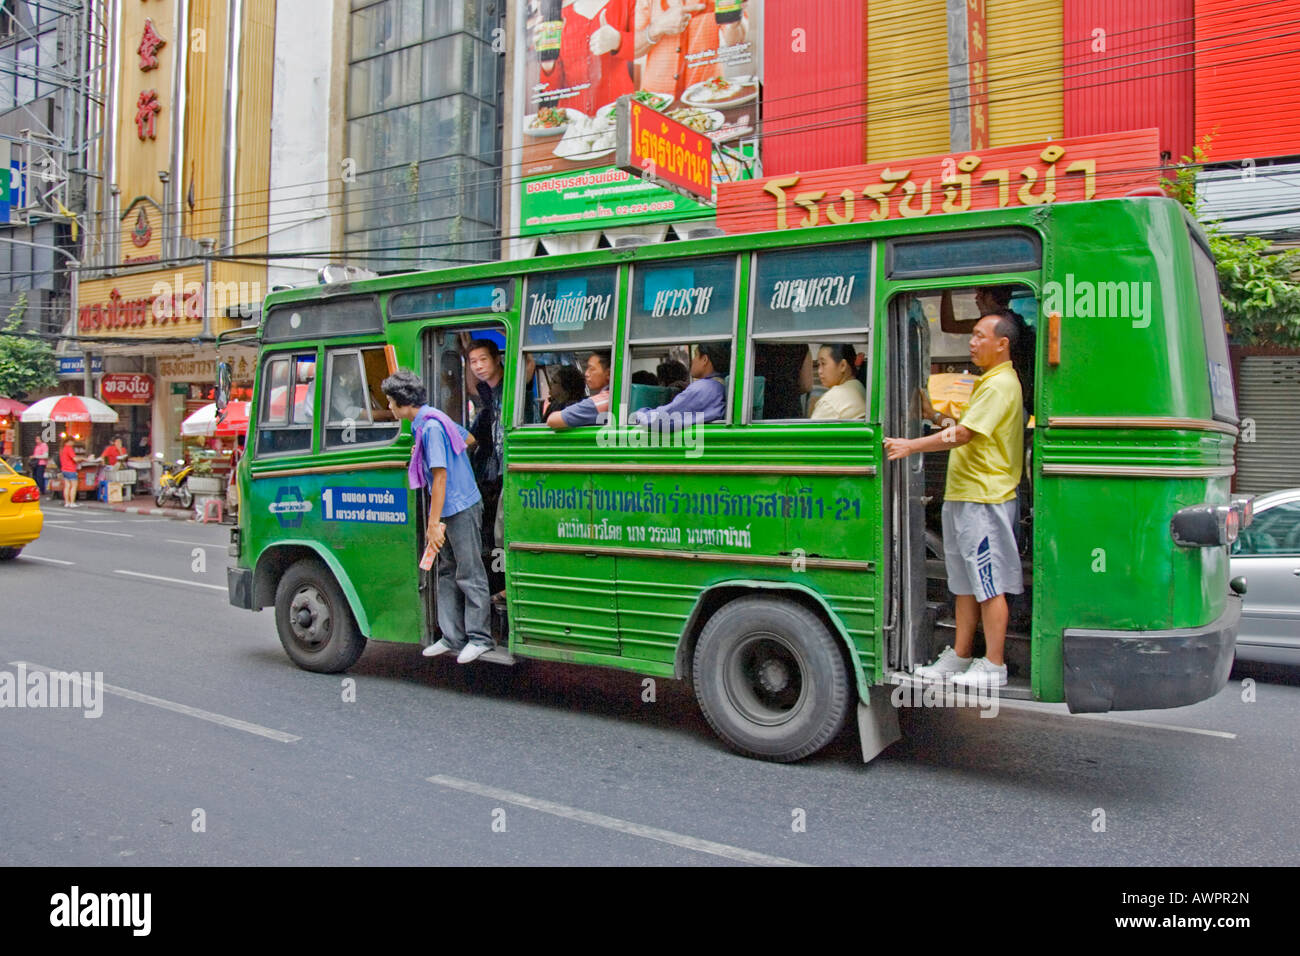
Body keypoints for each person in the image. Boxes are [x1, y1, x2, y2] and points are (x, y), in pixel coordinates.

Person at [883, 312, 1025, 688]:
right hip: (964, 495)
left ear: (1002, 343)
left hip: (984, 498)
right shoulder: (987, 382)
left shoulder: (1001, 384)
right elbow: (965, 430)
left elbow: (963, 435)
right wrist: (935, 417)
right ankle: (961, 657)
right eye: (973, 336)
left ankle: (993, 665)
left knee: (988, 584)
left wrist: (911, 445)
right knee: (963, 584)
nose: (972, 342)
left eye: (979, 336)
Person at [383, 369, 493, 664]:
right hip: (452, 505)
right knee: (447, 570)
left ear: (401, 401)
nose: (389, 408)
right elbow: (468, 438)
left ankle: (480, 638)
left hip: (458, 506)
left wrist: (433, 525)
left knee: (469, 572)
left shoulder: (430, 428)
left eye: (390, 402)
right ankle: (452, 636)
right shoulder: (435, 418)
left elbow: (440, 477)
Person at [536, 0, 636, 117]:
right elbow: (551, 92)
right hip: (571, 122)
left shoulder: (625, 3)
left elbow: (644, 47)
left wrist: (618, 41)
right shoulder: (555, 11)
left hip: (617, 114)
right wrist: (548, 63)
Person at [635, 1, 749, 103]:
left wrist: (733, 21)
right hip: (656, 102)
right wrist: (656, 28)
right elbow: (633, 50)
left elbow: (736, 43)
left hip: (709, 98)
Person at [466, 339, 506, 562]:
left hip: (507, 467)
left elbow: (527, 366)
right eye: (473, 362)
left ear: (497, 359)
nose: (478, 366)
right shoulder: (487, 393)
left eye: (483, 360)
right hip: (493, 472)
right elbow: (472, 386)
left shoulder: (512, 383)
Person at [632, 342, 728, 428]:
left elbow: (664, 417)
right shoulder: (717, 386)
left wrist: (639, 415)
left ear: (704, 359)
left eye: (695, 355)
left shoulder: (703, 388)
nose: (692, 360)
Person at [547, 352, 612, 430]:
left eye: (592, 369)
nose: (587, 373)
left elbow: (552, 420)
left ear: (608, 373)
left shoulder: (602, 401)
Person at [809, 344, 867, 421]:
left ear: (843, 365)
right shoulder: (859, 387)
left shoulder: (830, 402)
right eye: (818, 364)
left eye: (823, 363)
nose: (819, 371)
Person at [59, 437, 81, 508]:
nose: (73, 443)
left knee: (67, 486)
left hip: (64, 469)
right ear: (69, 441)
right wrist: (84, 458)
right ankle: (72, 502)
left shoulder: (62, 449)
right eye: (73, 442)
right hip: (71, 469)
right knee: (74, 486)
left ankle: (67, 502)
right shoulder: (69, 448)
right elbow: (75, 459)